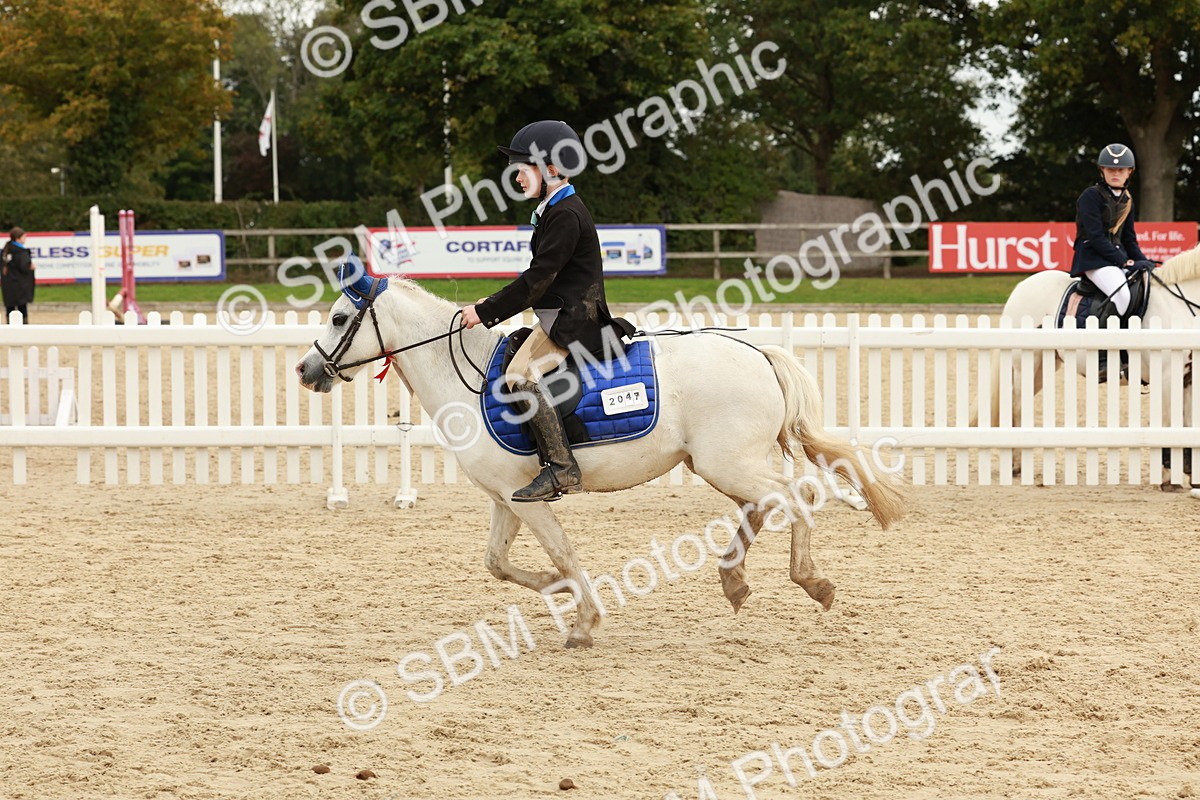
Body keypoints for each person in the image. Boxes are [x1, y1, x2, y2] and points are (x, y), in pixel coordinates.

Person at [460, 120, 626, 503]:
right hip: (560, 314)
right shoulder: (555, 209)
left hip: (575, 321)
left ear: (551, 168)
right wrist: (491, 303)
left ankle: (561, 467)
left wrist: (485, 312)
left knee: (520, 376)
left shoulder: (565, 214)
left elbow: (538, 280)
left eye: (522, 168)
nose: (516, 177)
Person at [1069, 143, 1154, 380]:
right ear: (1102, 171)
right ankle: (1102, 355)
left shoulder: (1127, 199)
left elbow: (1129, 238)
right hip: (1093, 258)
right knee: (1122, 294)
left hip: (1114, 258)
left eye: (1121, 170)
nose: (1115, 173)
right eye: (1110, 169)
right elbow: (1095, 236)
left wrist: (1143, 262)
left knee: (1147, 287)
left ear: (1129, 172)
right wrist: (1125, 262)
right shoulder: (1090, 196)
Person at [1, 227, 35, 323]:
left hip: (8, 284)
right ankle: (24, 326)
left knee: (10, 306)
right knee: (22, 306)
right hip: (20, 284)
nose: (25, 239)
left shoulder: (6, 250)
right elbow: (24, 267)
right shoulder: (21, 252)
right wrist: (30, 267)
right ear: (18, 238)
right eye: (24, 237)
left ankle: (9, 326)